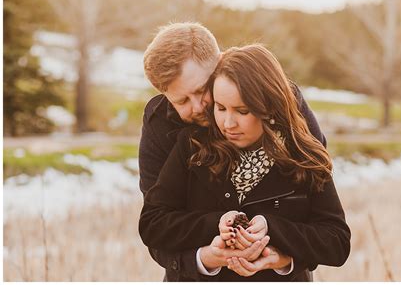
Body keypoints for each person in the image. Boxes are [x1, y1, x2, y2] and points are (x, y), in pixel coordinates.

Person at [139, 44, 351, 281]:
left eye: (242, 111)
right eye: (220, 108)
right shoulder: (192, 147)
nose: (228, 123)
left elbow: (337, 241)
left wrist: (277, 248)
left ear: (269, 107)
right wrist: (210, 243)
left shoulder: (303, 154)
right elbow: (153, 224)